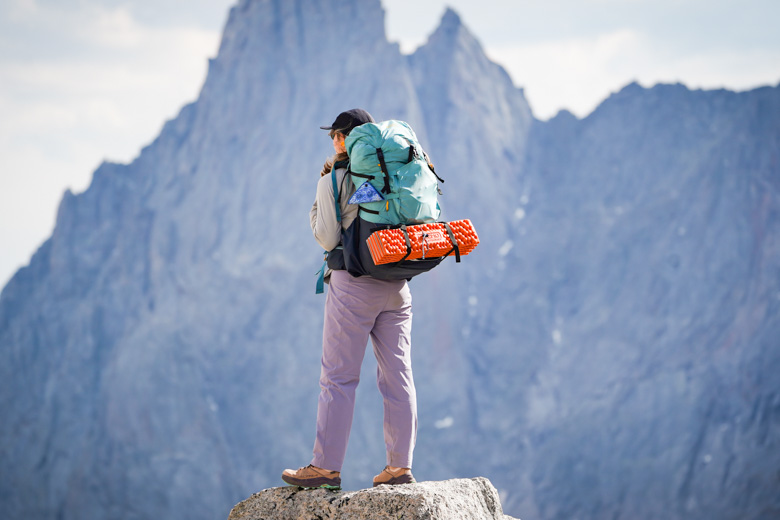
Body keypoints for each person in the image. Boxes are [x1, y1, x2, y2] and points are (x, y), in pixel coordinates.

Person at [281, 109, 417, 490]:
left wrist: (316, 210)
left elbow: (326, 238)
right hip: (398, 283)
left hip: (354, 284)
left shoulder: (334, 180)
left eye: (335, 136)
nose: (333, 142)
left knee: (338, 379)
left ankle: (325, 468)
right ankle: (398, 468)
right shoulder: (396, 170)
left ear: (343, 139)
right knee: (398, 376)